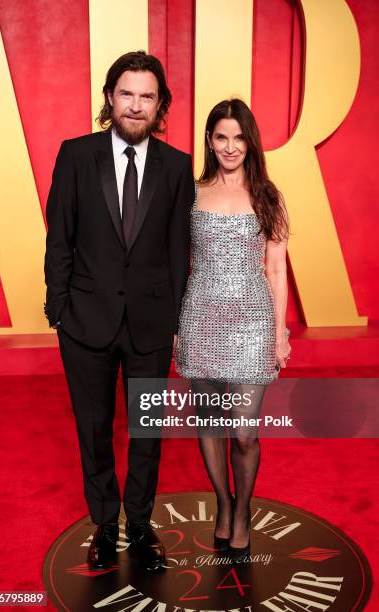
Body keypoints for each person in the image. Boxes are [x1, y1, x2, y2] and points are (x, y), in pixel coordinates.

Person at [44, 51, 195, 571]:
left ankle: (139, 525)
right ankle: (104, 526)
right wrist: (58, 309)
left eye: (147, 96)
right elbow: (58, 238)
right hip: (84, 323)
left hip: (151, 326)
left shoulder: (176, 167)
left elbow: (179, 251)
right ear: (110, 98)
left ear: (160, 106)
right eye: (126, 94)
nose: (135, 105)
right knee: (93, 428)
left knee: (147, 430)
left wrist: (176, 324)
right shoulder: (76, 155)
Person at [176, 99, 290, 562]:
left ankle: (243, 510)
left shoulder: (268, 195)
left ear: (250, 142)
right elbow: (177, 265)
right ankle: (222, 503)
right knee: (209, 424)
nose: (230, 146)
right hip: (201, 315)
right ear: (209, 140)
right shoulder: (192, 193)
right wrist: (177, 327)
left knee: (243, 433)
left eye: (239, 138)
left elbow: (278, 270)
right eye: (221, 137)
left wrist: (279, 335)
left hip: (252, 322)